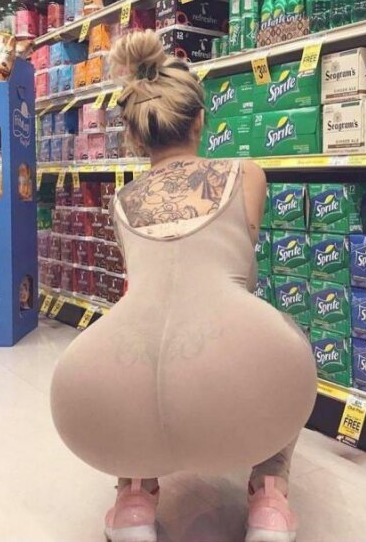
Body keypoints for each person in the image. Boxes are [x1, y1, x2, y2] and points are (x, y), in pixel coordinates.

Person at [51, 30, 317, 542]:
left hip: (109, 379)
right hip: (224, 373)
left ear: (134, 137)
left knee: (140, 340)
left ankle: (133, 502)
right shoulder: (246, 174)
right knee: (285, 338)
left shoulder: (122, 201)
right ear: (200, 120)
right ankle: (268, 500)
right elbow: (239, 263)